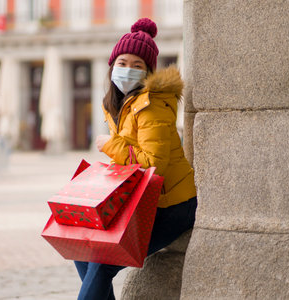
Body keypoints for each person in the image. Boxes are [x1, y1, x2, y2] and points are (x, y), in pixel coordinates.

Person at [74, 18, 197, 300]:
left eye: (137, 65)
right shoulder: (119, 103)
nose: (128, 70)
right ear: (112, 66)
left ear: (148, 72)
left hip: (172, 206)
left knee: (102, 261)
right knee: (84, 249)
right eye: (123, 62)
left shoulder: (152, 104)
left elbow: (153, 164)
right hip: (142, 201)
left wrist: (110, 144)